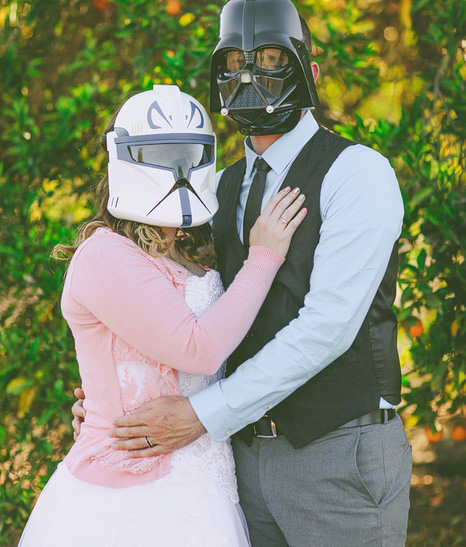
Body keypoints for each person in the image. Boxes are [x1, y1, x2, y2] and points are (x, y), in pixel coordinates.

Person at [73, 0, 412, 546]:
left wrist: (200, 415)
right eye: (234, 65)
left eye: (274, 60)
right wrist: (119, 397)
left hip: (336, 455)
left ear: (311, 71)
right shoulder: (215, 189)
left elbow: (327, 326)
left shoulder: (357, 172)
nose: (250, 78)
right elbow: (190, 316)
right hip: (238, 465)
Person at [19, 84, 307, 547]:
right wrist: (264, 258)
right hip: (130, 492)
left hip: (205, 477)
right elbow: (201, 348)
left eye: (189, 153)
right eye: (158, 153)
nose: (177, 169)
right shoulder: (104, 254)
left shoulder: (188, 245)